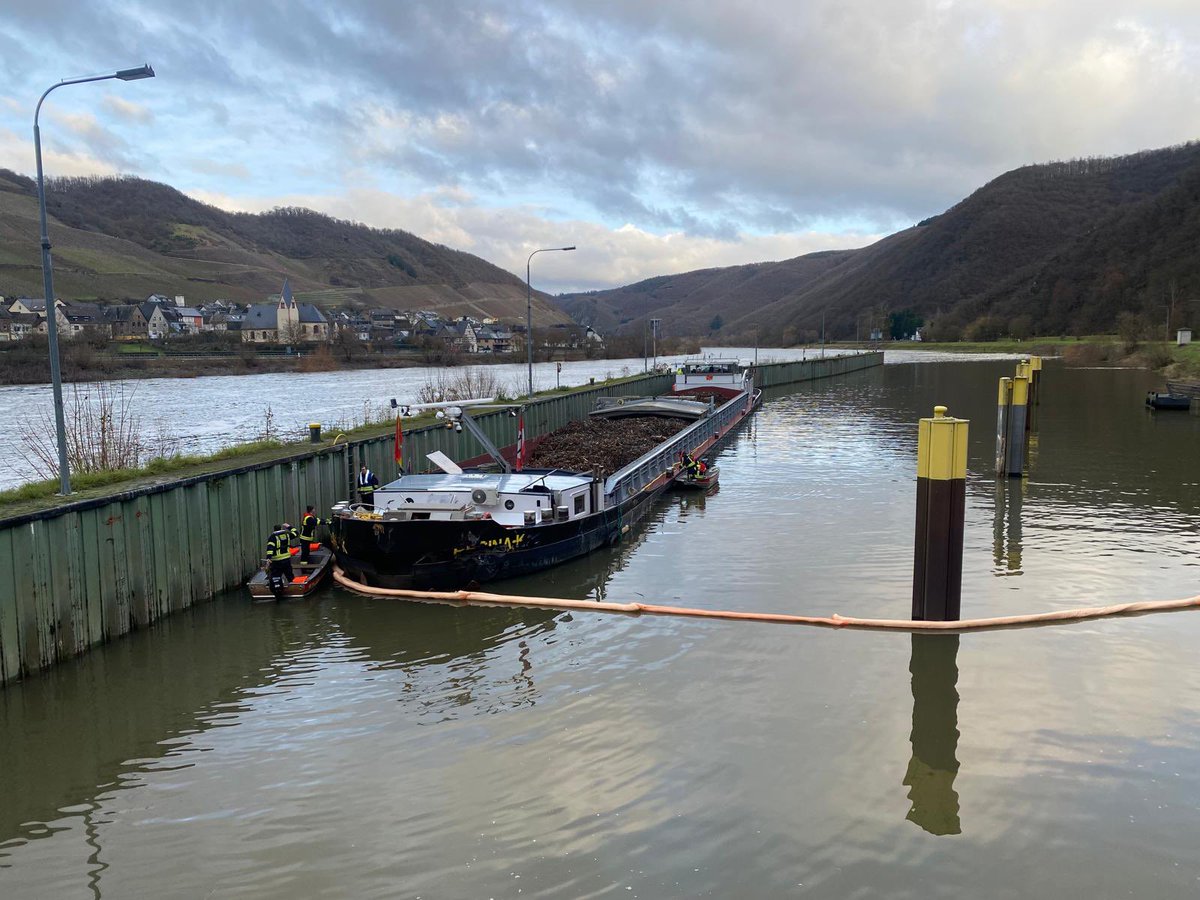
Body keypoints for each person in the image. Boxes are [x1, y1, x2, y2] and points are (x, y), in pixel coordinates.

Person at [264, 523, 296, 597]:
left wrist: (268, 559)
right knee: (289, 575)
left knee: (276, 576)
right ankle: (295, 588)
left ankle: (277, 591)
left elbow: (270, 549)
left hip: (277, 561)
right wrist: (289, 526)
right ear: (281, 528)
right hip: (286, 560)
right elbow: (296, 533)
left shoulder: (272, 537)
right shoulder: (286, 535)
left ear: (274, 530)